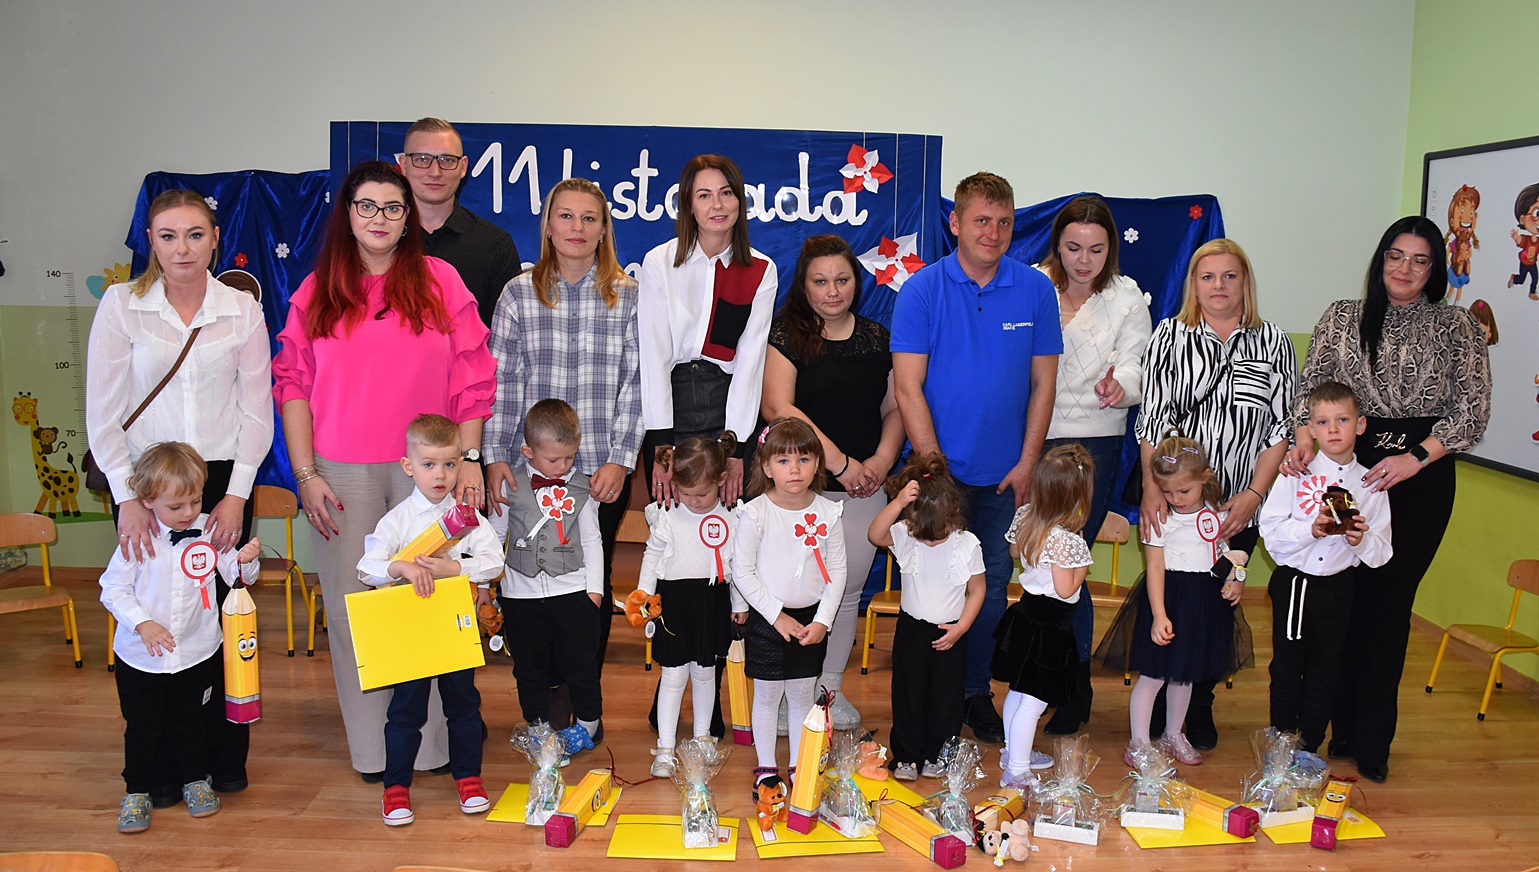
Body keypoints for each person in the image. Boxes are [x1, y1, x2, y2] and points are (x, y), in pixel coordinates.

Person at [272, 160, 496, 781]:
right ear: (347, 214)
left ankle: (432, 748)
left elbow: (473, 377)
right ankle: (375, 752)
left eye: (392, 208)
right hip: (341, 472)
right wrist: (305, 474)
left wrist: (467, 460)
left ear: (407, 219)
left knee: (432, 599)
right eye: (366, 206)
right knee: (356, 609)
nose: (379, 218)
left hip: (431, 470)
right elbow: (292, 384)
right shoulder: (318, 289)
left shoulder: (441, 281)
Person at [1284, 215, 1490, 782]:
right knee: (1342, 601)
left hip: (1420, 477)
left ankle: (1372, 742)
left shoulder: (1458, 326)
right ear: (1381, 260)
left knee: (1389, 606)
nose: (1405, 268)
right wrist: (1305, 436)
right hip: (1348, 471)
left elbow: (1472, 412)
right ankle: (1334, 729)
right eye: (1396, 256)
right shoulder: (1342, 316)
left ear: (1435, 269)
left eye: (1420, 260)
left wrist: (1415, 458)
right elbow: (1310, 389)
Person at [86, 187, 272, 807]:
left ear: (215, 239)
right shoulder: (121, 305)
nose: (182, 248)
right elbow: (103, 414)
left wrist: (236, 494)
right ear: (151, 241)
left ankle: (217, 761)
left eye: (195, 234)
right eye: (168, 236)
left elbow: (257, 411)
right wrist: (127, 497)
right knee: (154, 612)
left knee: (218, 620)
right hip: (146, 482)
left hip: (219, 484)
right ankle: (156, 769)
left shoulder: (241, 309)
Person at [892, 172, 1062, 743]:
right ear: (956, 223)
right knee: (929, 588)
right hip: (938, 475)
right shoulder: (922, 291)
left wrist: (1028, 462)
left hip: (1005, 478)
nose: (993, 232)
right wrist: (933, 468)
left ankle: (973, 693)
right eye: (982, 220)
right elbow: (908, 386)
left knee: (988, 590)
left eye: (1004, 222)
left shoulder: (1035, 290)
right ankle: (930, 696)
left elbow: (1043, 385)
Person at [1135, 238, 1296, 750]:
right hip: (1178, 500)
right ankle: (1158, 707)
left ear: (1245, 282)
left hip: (1236, 505)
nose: (1219, 285)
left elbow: (1281, 428)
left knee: (1213, 607)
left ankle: (1196, 704)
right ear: (1194, 284)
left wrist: (1254, 494)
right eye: (1208, 277)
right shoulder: (1170, 336)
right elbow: (1151, 421)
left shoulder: (1273, 341)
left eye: (1230, 276)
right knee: (1174, 597)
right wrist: (1152, 490)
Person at [639, 154, 778, 735]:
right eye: (704, 195)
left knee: (722, 554)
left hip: (726, 414)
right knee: (677, 551)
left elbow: (750, 364)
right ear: (687, 205)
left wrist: (737, 448)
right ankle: (669, 684)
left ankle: (711, 694)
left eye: (726, 193)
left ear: (740, 202)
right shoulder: (660, 261)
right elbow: (652, 355)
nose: (717, 205)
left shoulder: (760, 269)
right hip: (671, 407)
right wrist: (661, 448)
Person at [484, 177, 642, 683]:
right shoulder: (518, 294)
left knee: (590, 578)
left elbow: (637, 384)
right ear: (548, 227)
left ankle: (583, 699)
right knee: (532, 576)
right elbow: (502, 381)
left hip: (597, 472)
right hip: (528, 470)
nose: (577, 227)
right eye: (566, 216)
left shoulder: (629, 297)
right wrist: (494, 456)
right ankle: (542, 695)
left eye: (589, 218)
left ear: (604, 230)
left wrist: (620, 458)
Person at [762, 234, 904, 729]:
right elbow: (778, 407)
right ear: (803, 285)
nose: (832, 291)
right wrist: (841, 463)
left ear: (856, 283)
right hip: (798, 491)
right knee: (790, 590)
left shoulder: (878, 338)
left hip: (863, 490)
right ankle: (784, 694)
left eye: (842, 280)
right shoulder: (786, 335)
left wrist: (882, 460)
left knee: (843, 594)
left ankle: (828, 692)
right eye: (820, 281)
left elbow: (895, 406)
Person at [1034, 195, 1152, 735]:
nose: (1084, 261)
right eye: (1074, 247)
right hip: (1034, 435)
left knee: (1070, 563)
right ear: (1057, 245)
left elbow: (1136, 365)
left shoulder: (1126, 297)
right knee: (1037, 561)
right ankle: (1040, 679)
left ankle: (1074, 689)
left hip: (1095, 443)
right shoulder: (1034, 284)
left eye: (1097, 249)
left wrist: (1119, 386)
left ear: (1111, 250)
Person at [100, 442, 260, 834]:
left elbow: (236, 578)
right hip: (141, 658)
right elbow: (112, 590)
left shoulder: (208, 530)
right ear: (147, 500)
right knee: (143, 726)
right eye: (176, 506)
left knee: (193, 721)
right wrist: (142, 623)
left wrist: (246, 560)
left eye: (195, 501)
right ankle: (137, 790)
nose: (188, 513)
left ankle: (194, 780)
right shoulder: (136, 538)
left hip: (196, 651)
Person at [356, 414, 504, 826]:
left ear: (460, 464)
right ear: (409, 466)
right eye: (428, 464)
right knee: (406, 710)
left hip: (454, 625)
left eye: (450, 464)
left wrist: (455, 569)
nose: (440, 475)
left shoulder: (467, 517)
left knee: (464, 705)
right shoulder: (397, 520)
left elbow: (495, 563)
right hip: (411, 630)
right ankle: (395, 789)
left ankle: (469, 779)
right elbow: (366, 568)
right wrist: (400, 567)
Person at [1259, 382, 1392, 756]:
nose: (1333, 429)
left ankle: (1308, 749)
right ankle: (1281, 744)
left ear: (1360, 425)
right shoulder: (1295, 473)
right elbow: (1270, 532)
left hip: (1338, 588)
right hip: (1295, 585)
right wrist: (1311, 530)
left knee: (1326, 668)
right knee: (1287, 667)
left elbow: (1382, 552)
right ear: (1311, 429)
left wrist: (1358, 540)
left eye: (1343, 420)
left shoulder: (1372, 484)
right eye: (1323, 422)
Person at [1109, 432, 1250, 767]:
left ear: (1205, 478)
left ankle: (1173, 734)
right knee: (1153, 675)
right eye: (1167, 491)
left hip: (1204, 602)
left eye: (1184, 491)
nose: (1175, 498)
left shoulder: (1216, 512)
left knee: (1185, 672)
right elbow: (1155, 568)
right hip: (1169, 599)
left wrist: (1236, 579)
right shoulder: (1160, 517)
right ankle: (1138, 743)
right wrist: (1159, 614)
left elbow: (1223, 555)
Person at [732, 418, 847, 793]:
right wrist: (776, 616)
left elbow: (837, 572)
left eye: (803, 459)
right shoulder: (755, 513)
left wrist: (823, 621)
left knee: (801, 695)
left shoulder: (829, 512)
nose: (794, 469)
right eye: (783, 461)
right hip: (768, 618)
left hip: (810, 620)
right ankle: (766, 768)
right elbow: (742, 572)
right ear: (766, 467)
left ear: (817, 463)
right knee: (767, 696)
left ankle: (799, 767)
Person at [489, 399, 606, 757]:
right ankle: (538, 727)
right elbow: (494, 537)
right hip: (520, 596)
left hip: (572, 591)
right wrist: (485, 586)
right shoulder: (509, 484)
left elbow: (592, 540)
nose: (563, 466)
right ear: (528, 451)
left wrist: (594, 592)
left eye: (570, 458)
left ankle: (587, 724)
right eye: (554, 460)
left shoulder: (582, 488)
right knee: (530, 669)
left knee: (581, 665)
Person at [866, 452, 984, 782]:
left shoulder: (967, 544)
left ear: (953, 517)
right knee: (908, 694)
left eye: (939, 533)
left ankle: (938, 754)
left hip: (951, 633)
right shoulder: (906, 534)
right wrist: (899, 501)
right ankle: (907, 756)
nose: (931, 540)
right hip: (911, 632)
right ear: (913, 520)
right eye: (925, 534)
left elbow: (978, 590)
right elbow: (875, 534)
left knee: (946, 699)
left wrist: (962, 628)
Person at [991, 444, 1096, 788]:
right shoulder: (1067, 540)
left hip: (1026, 615)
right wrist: (1081, 563)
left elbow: (1013, 551)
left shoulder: (1026, 516)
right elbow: (1066, 589)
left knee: (1019, 691)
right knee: (1034, 702)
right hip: (1050, 627)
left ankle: (1013, 753)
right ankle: (1017, 771)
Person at [636, 433, 740, 778]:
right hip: (674, 603)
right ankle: (666, 748)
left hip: (712, 601)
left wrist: (739, 604)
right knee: (674, 674)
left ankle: (702, 740)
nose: (694, 502)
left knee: (706, 672)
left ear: (721, 480)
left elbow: (738, 565)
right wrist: (643, 594)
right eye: (686, 493)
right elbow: (652, 556)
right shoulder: (666, 515)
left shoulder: (732, 516)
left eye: (703, 494)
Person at [396, 117, 523, 328]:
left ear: (463, 167)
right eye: (422, 159)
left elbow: (505, 336)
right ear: (403, 165)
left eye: (446, 160)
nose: (435, 172)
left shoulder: (494, 245)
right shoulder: (378, 241)